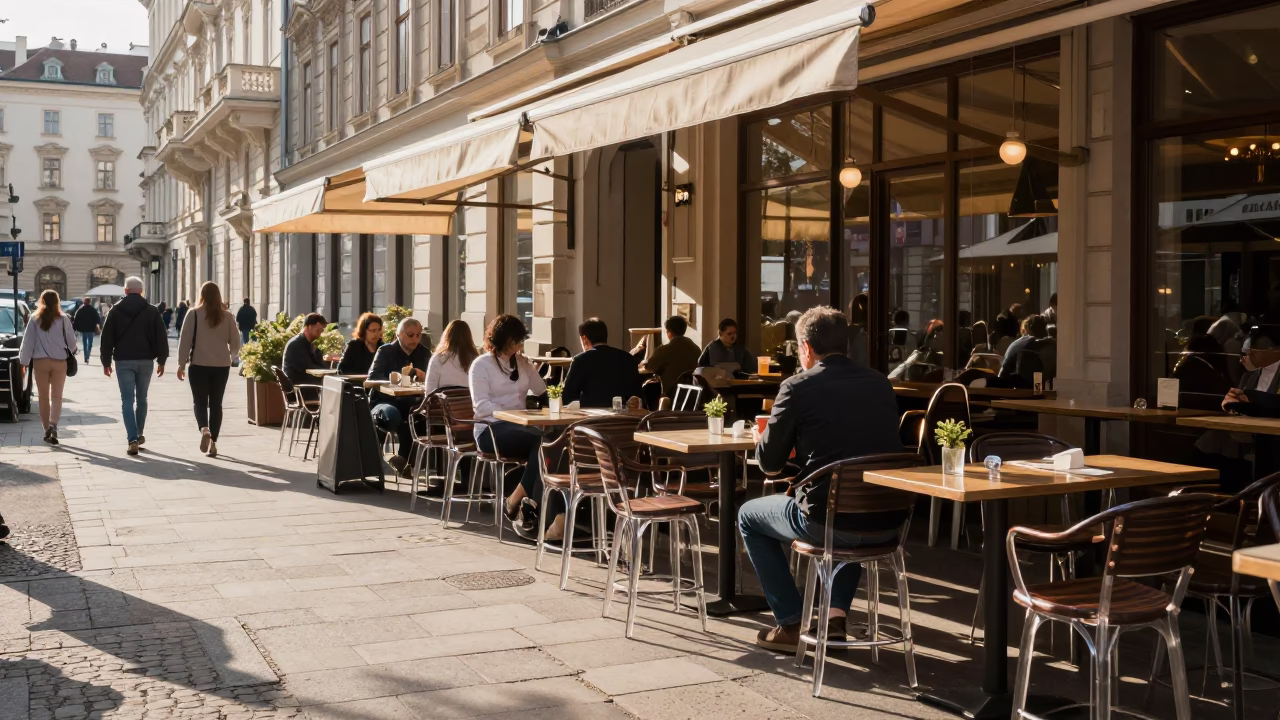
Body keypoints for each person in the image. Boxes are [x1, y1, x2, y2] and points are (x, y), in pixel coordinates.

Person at [738, 306, 903, 651]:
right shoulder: (881, 383)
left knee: (749, 516)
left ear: (806, 348)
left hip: (828, 520)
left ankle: (791, 622)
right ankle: (835, 617)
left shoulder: (797, 387)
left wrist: (761, 441)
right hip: (888, 521)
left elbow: (769, 465)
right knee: (847, 505)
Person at [469, 315, 551, 537]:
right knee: (541, 442)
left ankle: (525, 504)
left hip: (520, 429)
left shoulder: (522, 363)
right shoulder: (481, 365)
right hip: (490, 429)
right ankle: (521, 503)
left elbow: (542, 391)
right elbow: (482, 406)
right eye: (515, 341)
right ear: (502, 339)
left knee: (551, 444)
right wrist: (514, 413)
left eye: (520, 341)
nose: (519, 345)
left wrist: (531, 369)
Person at [100, 277, 169, 457]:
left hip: (123, 360)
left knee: (127, 400)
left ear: (125, 291)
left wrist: (106, 362)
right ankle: (138, 434)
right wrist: (161, 360)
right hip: (146, 360)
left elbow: (106, 338)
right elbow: (161, 337)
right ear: (142, 291)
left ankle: (132, 439)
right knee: (143, 398)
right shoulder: (152, 311)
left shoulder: (115, 310)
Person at [177, 282, 241, 458]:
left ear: (202, 295)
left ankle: (204, 429)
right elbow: (235, 341)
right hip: (221, 366)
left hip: (198, 364)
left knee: (199, 401)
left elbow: (185, 342)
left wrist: (181, 364)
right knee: (216, 403)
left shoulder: (194, 314)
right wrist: (233, 357)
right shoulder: (227, 316)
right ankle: (213, 442)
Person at [368, 318, 431, 476]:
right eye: (410, 335)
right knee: (393, 415)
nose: (415, 339)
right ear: (399, 334)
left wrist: (424, 377)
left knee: (420, 416)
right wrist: (395, 377)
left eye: (418, 335)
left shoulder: (423, 353)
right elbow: (373, 377)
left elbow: (432, 379)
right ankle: (374, 457)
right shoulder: (385, 351)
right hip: (384, 400)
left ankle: (404, 460)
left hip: (412, 401)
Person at [19, 290, 77, 445]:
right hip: (60, 362)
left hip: (40, 362)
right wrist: (71, 350)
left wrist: (23, 362)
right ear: (57, 301)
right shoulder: (64, 319)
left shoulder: (34, 319)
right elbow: (72, 343)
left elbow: (28, 342)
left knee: (43, 397)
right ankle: (54, 424)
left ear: (41, 301)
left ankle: (46, 429)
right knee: (57, 396)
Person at [561, 318, 642, 407]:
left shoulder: (581, 360)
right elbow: (637, 395)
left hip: (590, 418)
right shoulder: (628, 358)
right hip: (623, 417)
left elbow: (567, 396)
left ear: (584, 339)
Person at [639, 315, 701, 397]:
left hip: (670, 393)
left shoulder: (664, 350)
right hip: (692, 392)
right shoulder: (696, 349)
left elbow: (650, 367)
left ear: (669, 331)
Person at [426, 320, 478, 393]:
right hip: (468, 403)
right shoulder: (475, 360)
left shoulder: (439, 358)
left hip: (446, 403)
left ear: (447, 335)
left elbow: (429, 390)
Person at [282, 313, 328, 386]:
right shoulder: (297, 344)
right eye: (318, 330)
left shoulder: (307, 344)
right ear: (309, 326)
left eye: (321, 331)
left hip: (303, 383)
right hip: (300, 387)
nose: (320, 334)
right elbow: (309, 367)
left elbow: (318, 366)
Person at [999, 314, 1049, 379]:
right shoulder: (1053, 345)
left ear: (1026, 329)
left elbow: (1003, 373)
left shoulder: (1017, 345)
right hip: (1045, 386)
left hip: (1019, 386)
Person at [71, 296, 102, 364]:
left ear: (84, 302)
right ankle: (88, 355)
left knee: (85, 343)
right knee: (90, 343)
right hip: (91, 329)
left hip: (83, 329)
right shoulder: (93, 310)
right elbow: (98, 319)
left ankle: (86, 357)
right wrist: (99, 326)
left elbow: (76, 319)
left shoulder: (80, 309)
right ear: (90, 302)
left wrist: (74, 328)